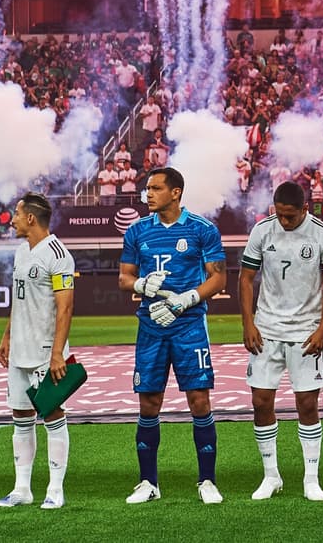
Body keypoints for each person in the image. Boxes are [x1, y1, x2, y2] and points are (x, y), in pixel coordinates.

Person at [118, 167, 227, 504]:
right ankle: (148, 483)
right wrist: (138, 284)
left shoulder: (202, 229)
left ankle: (206, 481)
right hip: (151, 326)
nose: (148, 194)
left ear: (176, 192)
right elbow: (124, 277)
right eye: (147, 188)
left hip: (190, 326)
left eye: (155, 188)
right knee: (149, 402)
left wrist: (185, 300)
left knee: (199, 400)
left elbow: (218, 279)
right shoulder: (136, 232)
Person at [239, 181, 323, 502]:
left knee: (307, 404)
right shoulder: (262, 231)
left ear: (304, 209)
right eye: (280, 214)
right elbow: (244, 278)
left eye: (290, 216)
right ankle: (271, 476)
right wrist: (249, 324)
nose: (284, 221)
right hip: (267, 330)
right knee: (260, 402)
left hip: (305, 332)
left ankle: (311, 478)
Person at [0, 192, 75, 510]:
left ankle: (55, 490)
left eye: (16, 213)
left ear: (31, 218)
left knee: (53, 415)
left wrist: (57, 354)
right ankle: (21, 489)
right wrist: (7, 336)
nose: (11, 219)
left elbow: (65, 307)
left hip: (45, 351)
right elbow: (19, 298)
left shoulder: (58, 254)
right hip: (20, 350)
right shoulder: (20, 252)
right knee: (20, 416)